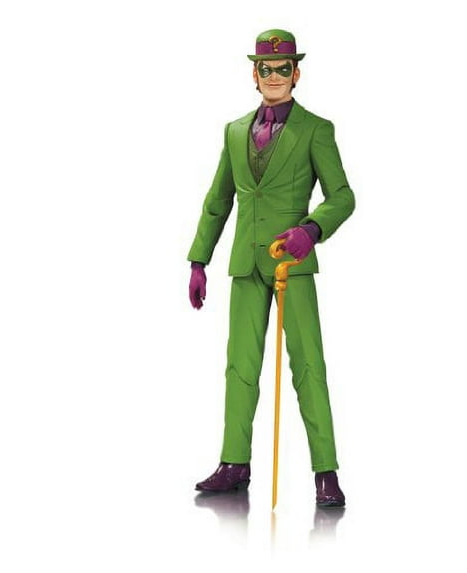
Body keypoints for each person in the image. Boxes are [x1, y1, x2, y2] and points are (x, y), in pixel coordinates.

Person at [188, 29, 355, 507]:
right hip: (246, 262)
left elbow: (343, 196)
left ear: (296, 73)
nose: (275, 76)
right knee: (239, 365)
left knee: (308, 365)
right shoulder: (235, 131)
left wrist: (311, 229)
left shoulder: (315, 129)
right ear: (254, 73)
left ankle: (326, 471)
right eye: (266, 68)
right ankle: (234, 462)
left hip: (292, 262)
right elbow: (218, 199)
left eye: (283, 68)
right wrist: (199, 258)